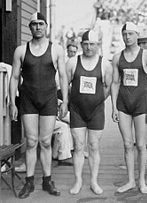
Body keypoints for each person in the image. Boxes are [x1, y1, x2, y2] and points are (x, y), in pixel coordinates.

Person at [9, 12, 68, 199]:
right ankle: (29, 181)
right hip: (28, 100)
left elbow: (64, 77)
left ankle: (47, 180)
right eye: (34, 24)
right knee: (32, 141)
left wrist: (65, 101)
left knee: (45, 141)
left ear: (46, 26)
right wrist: (12, 102)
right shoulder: (21, 50)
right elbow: (14, 78)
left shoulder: (56, 49)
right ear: (30, 27)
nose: (38, 27)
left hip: (49, 99)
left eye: (41, 23)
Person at [111, 22, 147, 194]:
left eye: (130, 34)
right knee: (127, 144)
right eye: (124, 34)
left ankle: (142, 181)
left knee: (140, 145)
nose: (127, 37)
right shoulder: (117, 57)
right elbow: (115, 83)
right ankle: (130, 180)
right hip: (123, 105)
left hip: (140, 104)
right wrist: (114, 108)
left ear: (137, 35)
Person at [66, 29, 113, 195]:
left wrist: (98, 100)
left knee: (93, 146)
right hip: (77, 110)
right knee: (78, 146)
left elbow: (108, 86)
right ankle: (78, 181)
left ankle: (93, 181)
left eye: (92, 44)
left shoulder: (105, 64)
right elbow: (65, 84)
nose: (88, 47)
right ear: (81, 45)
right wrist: (66, 102)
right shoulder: (72, 62)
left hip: (96, 111)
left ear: (98, 45)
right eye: (85, 44)